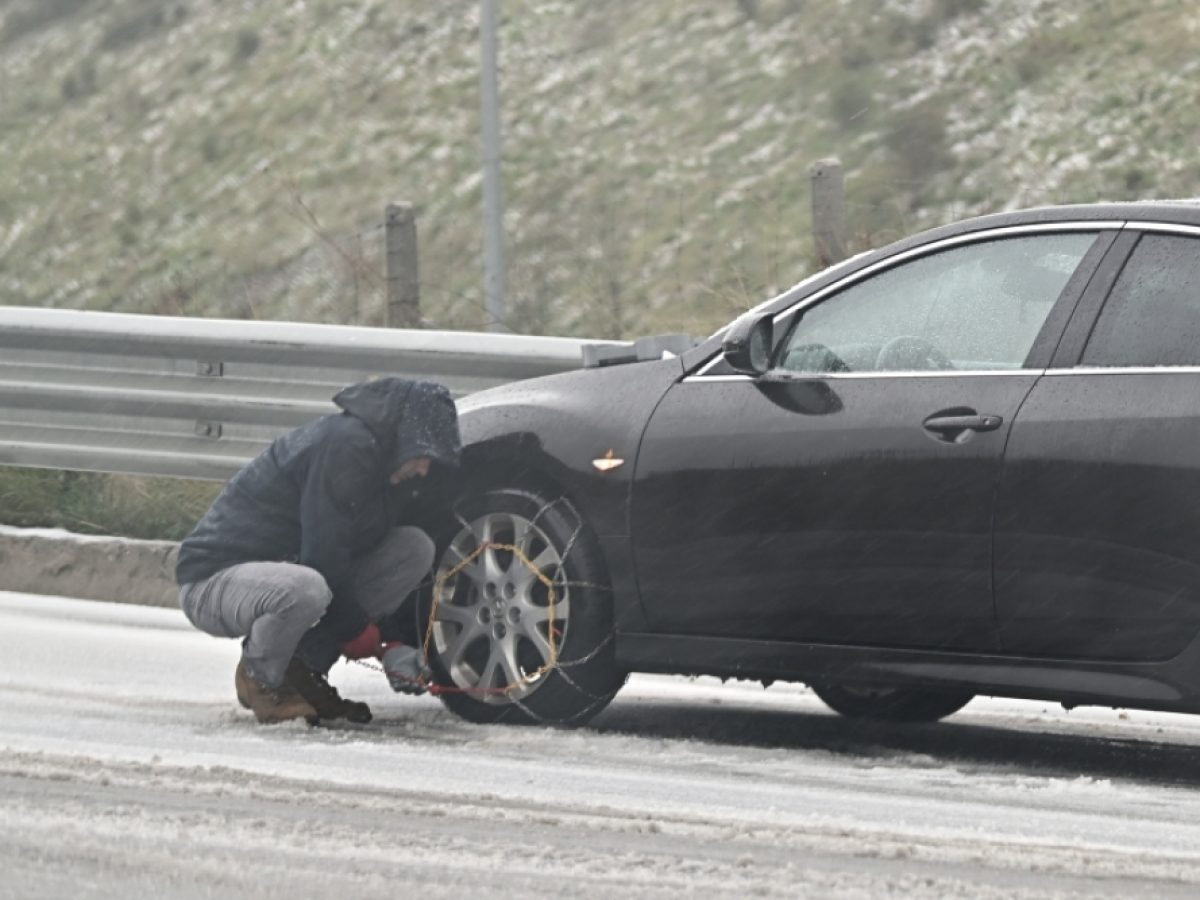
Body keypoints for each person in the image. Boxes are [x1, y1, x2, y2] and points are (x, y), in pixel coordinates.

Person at [175, 377, 461, 724]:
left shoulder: (389, 469)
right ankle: (260, 677)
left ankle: (301, 671)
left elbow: (353, 559)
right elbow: (325, 557)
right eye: (423, 455)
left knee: (413, 548)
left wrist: (394, 642)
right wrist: (368, 639)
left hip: (286, 573)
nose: (424, 469)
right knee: (307, 589)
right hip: (213, 580)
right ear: (405, 437)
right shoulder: (345, 446)